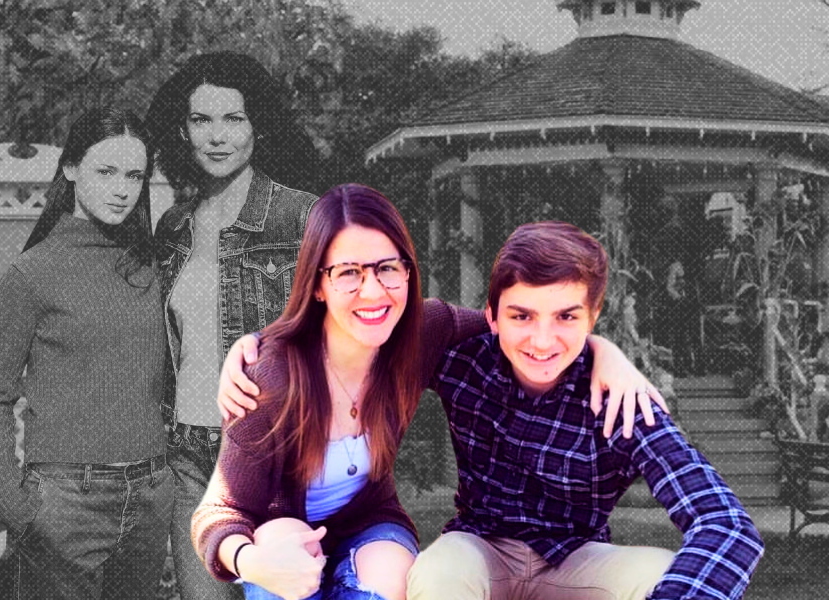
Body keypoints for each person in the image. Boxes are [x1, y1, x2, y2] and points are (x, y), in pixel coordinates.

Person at [196, 187, 669, 600]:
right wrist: (252, 561)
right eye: (348, 273)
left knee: (395, 574)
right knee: (285, 551)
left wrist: (602, 349)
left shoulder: (423, 331)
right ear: (318, 284)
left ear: (407, 270)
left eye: (387, 268)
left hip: (370, 524)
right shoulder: (272, 376)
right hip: (282, 529)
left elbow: (517, 327)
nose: (373, 291)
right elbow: (221, 510)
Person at [406, 222, 764, 600]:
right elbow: (373, 330)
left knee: (660, 572)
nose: (541, 341)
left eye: (566, 317)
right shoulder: (464, 359)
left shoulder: (622, 400)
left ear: (592, 318)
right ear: (492, 317)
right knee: (438, 570)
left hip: (575, 559)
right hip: (479, 547)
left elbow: (727, 525)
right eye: (521, 316)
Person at [145, 50, 321, 600]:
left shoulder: (303, 217)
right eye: (202, 120)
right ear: (183, 130)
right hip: (191, 458)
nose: (217, 137)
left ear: (257, 127)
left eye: (233, 119)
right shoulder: (173, 226)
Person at [0, 107, 173, 599]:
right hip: (64, 501)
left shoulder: (153, 266)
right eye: (105, 171)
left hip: (149, 494)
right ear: (70, 169)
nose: (122, 188)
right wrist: (10, 500)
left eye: (135, 175)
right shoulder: (32, 273)